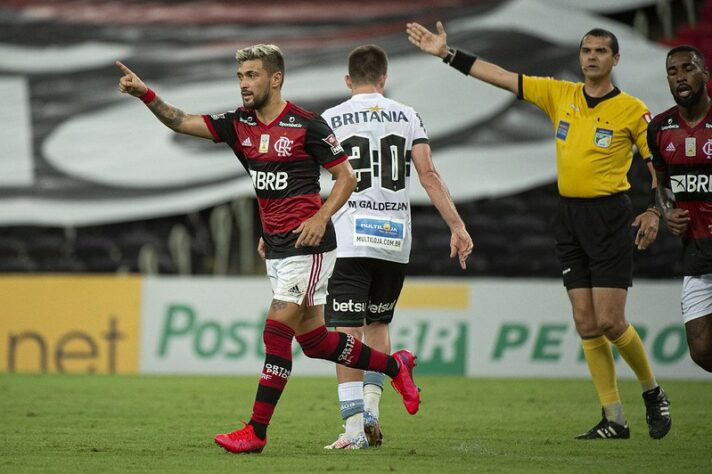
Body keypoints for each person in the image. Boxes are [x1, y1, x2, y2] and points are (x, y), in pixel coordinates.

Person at [115, 44, 421, 455]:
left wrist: (320, 217)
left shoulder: (307, 125)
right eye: (240, 75)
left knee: (275, 333)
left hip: (308, 247)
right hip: (276, 248)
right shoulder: (238, 124)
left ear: (275, 78)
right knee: (314, 342)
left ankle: (256, 431)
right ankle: (395, 365)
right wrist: (146, 95)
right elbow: (181, 122)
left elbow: (346, 178)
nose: (243, 83)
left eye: (252, 75)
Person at [406, 22, 672, 439]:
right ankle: (613, 417)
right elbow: (501, 76)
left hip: (609, 216)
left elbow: (658, 165)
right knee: (586, 323)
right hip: (568, 215)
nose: (591, 57)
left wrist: (654, 211)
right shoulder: (560, 94)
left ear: (615, 59)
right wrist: (446, 53)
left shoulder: (633, 110)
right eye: (586, 50)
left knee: (611, 322)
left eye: (601, 51)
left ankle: (652, 391)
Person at [319, 45, 473, 449]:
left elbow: (309, 182)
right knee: (378, 325)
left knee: (346, 331)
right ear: (384, 79)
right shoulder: (407, 115)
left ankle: (353, 430)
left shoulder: (330, 119)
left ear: (348, 80)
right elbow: (429, 175)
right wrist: (457, 226)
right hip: (393, 239)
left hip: (352, 237)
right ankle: (371, 409)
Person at [647, 45, 712, 373]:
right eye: (673, 72)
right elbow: (661, 187)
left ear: (705, 74)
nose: (680, 77)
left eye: (687, 68)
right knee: (701, 351)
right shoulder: (659, 129)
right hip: (697, 252)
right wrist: (666, 210)